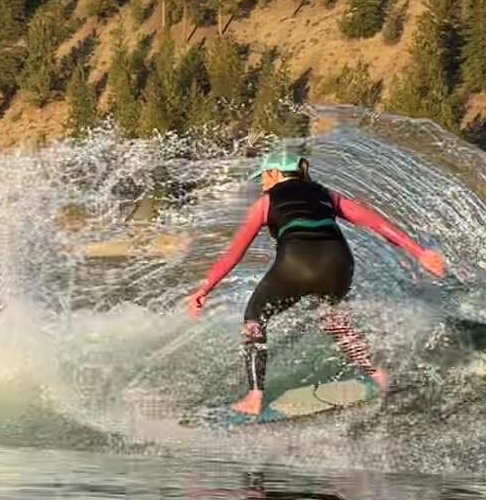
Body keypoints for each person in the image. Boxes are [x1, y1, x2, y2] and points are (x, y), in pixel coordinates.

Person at [186, 148, 446, 416]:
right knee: (332, 318)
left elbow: (235, 252)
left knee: (254, 317)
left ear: (275, 173)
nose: (262, 184)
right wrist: (419, 252)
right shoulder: (326, 195)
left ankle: (254, 397)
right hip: (339, 264)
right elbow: (375, 222)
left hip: (296, 264)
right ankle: (378, 375)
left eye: (263, 177)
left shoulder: (265, 203)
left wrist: (205, 289)